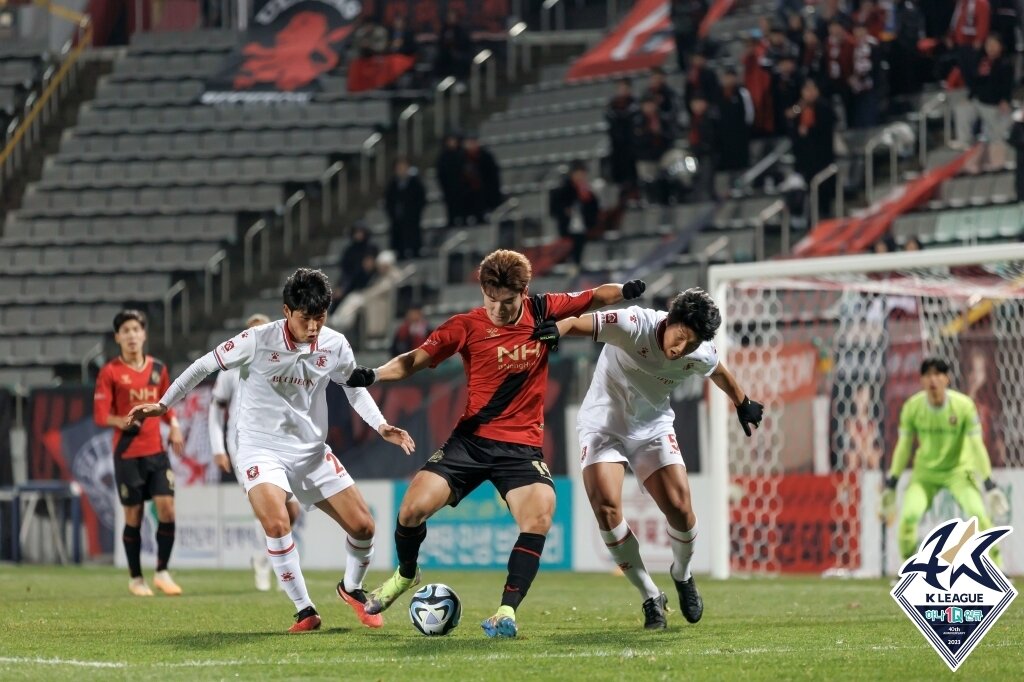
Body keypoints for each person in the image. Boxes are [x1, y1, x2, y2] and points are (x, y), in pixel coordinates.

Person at [344, 249, 647, 638]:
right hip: (470, 443)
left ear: (524, 292)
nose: (500, 310)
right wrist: (374, 374)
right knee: (410, 512)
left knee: (539, 516)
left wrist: (626, 288)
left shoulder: (542, 310)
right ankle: (405, 574)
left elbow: (597, 296)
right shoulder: (465, 326)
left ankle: (506, 612)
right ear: (483, 291)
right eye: (492, 301)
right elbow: (414, 361)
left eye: (508, 302)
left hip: (521, 449)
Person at [128, 268, 416, 633]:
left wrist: (381, 425)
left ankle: (351, 588)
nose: (313, 327)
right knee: (278, 522)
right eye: (305, 318)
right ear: (286, 311)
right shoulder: (257, 340)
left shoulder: (335, 344)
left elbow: (352, 385)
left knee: (364, 527)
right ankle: (304, 609)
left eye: (320, 317)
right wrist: (163, 405)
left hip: (311, 451)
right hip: (259, 447)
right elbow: (203, 365)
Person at [548, 289, 763, 629]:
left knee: (680, 508)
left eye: (691, 344)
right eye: (681, 337)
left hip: (652, 428)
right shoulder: (633, 324)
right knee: (605, 507)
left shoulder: (699, 353)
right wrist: (555, 331)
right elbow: (578, 322)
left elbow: (718, 371)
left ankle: (682, 573)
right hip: (603, 424)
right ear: (670, 320)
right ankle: (650, 596)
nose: (681, 349)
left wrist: (743, 402)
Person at [880, 358, 1009, 563]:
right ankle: (909, 567)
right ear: (921, 380)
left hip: (959, 472)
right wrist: (892, 482)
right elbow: (903, 447)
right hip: (925, 475)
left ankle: (997, 567)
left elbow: (976, 446)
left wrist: (989, 484)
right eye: (928, 375)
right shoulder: (912, 407)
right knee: (908, 517)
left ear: (947, 379)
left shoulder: (964, 406)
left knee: (978, 514)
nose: (933, 380)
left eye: (938, 374)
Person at [94, 310, 186, 597]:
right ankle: (136, 578)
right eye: (126, 330)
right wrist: (119, 420)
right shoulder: (110, 372)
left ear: (144, 335)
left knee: (167, 510)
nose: (132, 335)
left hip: (156, 452)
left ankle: (162, 572)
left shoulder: (158, 369)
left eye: (136, 329)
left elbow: (166, 404)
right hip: (128, 453)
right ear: (117, 337)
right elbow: (100, 414)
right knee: (132, 515)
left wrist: (174, 425)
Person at [208, 313, 302, 592]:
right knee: (267, 507)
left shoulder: (282, 367)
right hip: (244, 448)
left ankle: (263, 557)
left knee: (293, 511)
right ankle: (270, 567)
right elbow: (216, 409)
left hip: (279, 445)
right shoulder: (232, 369)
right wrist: (218, 448)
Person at [550, 160, 600, 269]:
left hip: (582, 225)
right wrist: (565, 210)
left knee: (579, 247)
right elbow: (555, 207)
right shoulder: (563, 189)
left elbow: (594, 208)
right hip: (568, 225)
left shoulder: (587, 190)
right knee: (569, 248)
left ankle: (577, 266)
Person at [384, 157, 427, 261]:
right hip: (398, 218)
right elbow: (388, 201)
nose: (402, 170)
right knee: (398, 237)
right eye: (399, 168)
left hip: (412, 217)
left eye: (404, 167)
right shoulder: (392, 185)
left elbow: (421, 198)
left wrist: (415, 211)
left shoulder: (415, 183)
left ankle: (416, 252)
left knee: (413, 236)